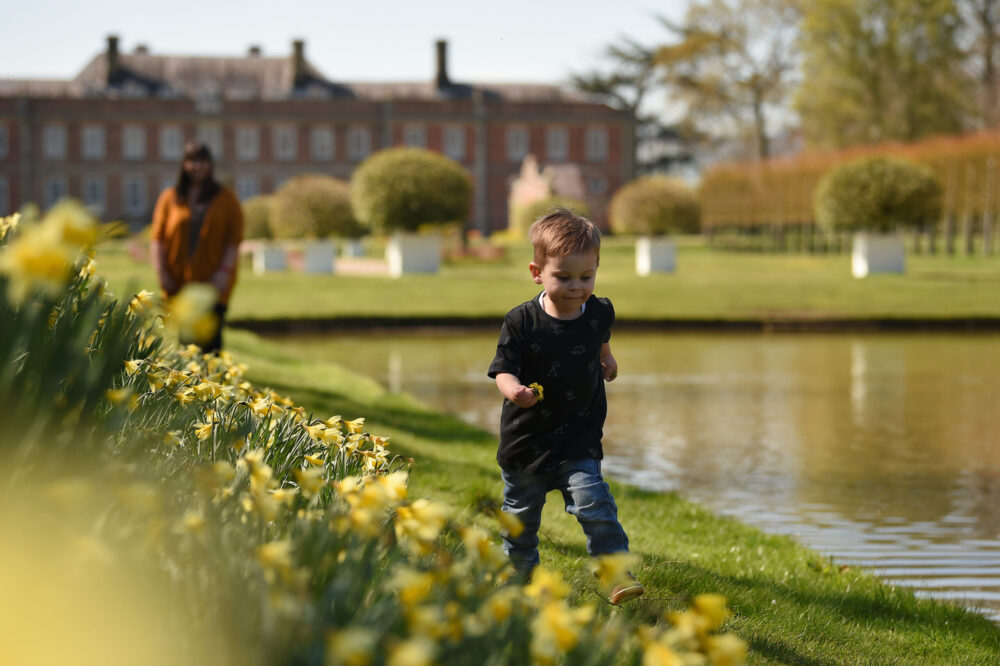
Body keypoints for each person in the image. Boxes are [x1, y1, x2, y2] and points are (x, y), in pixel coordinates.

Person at [487, 208, 643, 604]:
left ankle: (614, 573)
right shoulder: (521, 321)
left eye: (586, 277)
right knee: (520, 522)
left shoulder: (600, 311)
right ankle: (517, 582)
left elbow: (601, 339)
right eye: (564, 277)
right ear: (537, 272)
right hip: (527, 443)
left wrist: (607, 359)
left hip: (578, 437)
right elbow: (502, 369)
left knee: (594, 500)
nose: (577, 287)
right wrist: (514, 391)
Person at [150, 141, 243, 353]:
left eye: (202, 161)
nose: (197, 166)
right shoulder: (170, 198)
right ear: (184, 164)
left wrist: (224, 272)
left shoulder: (226, 198)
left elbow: (234, 240)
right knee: (185, 345)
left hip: (212, 282)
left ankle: (213, 385)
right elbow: (157, 239)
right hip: (178, 282)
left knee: (211, 345)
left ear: (210, 165)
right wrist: (162, 273)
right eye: (192, 161)